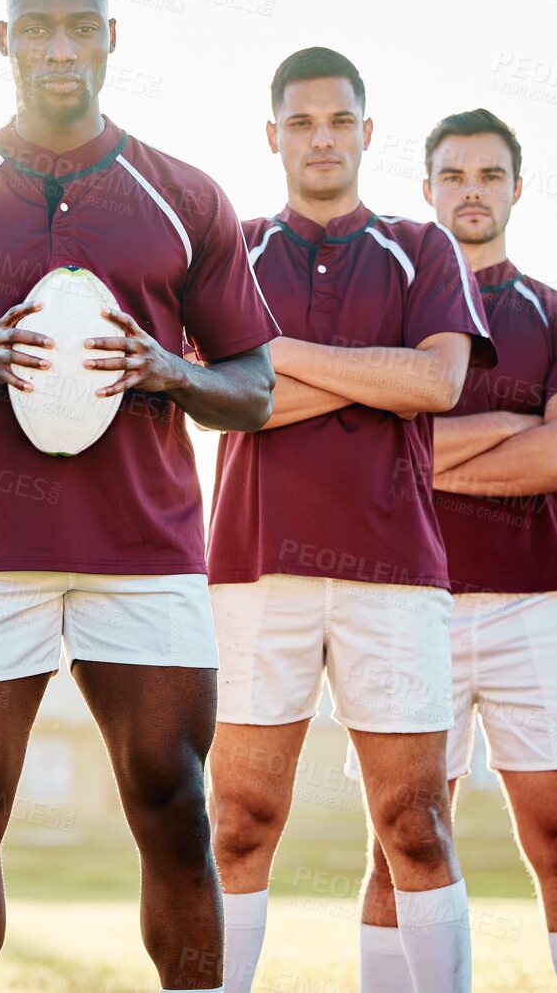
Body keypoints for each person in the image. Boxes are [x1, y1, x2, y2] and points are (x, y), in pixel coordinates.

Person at [0, 0, 277, 993]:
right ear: (4, 42)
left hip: (145, 548)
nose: (60, 49)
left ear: (113, 39)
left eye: (82, 27)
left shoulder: (184, 196)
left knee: (173, 806)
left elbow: (253, 390)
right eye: (37, 29)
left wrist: (166, 369)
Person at [205, 49, 495, 993]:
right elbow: (216, 401)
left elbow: (439, 380)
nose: (321, 138)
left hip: (396, 572)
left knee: (414, 821)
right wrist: (372, 380)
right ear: (274, 134)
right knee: (241, 818)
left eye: (339, 122)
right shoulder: (233, 249)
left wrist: (282, 355)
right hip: (253, 567)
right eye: (302, 122)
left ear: (368, 133)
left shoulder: (424, 246)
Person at [345, 108, 557, 992]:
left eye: (490, 175)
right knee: (402, 839)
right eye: (454, 175)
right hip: (401, 604)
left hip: (537, 606)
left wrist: (423, 449)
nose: (472, 191)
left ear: (516, 186)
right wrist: (509, 427)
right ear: (427, 188)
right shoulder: (383, 314)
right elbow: (355, 460)